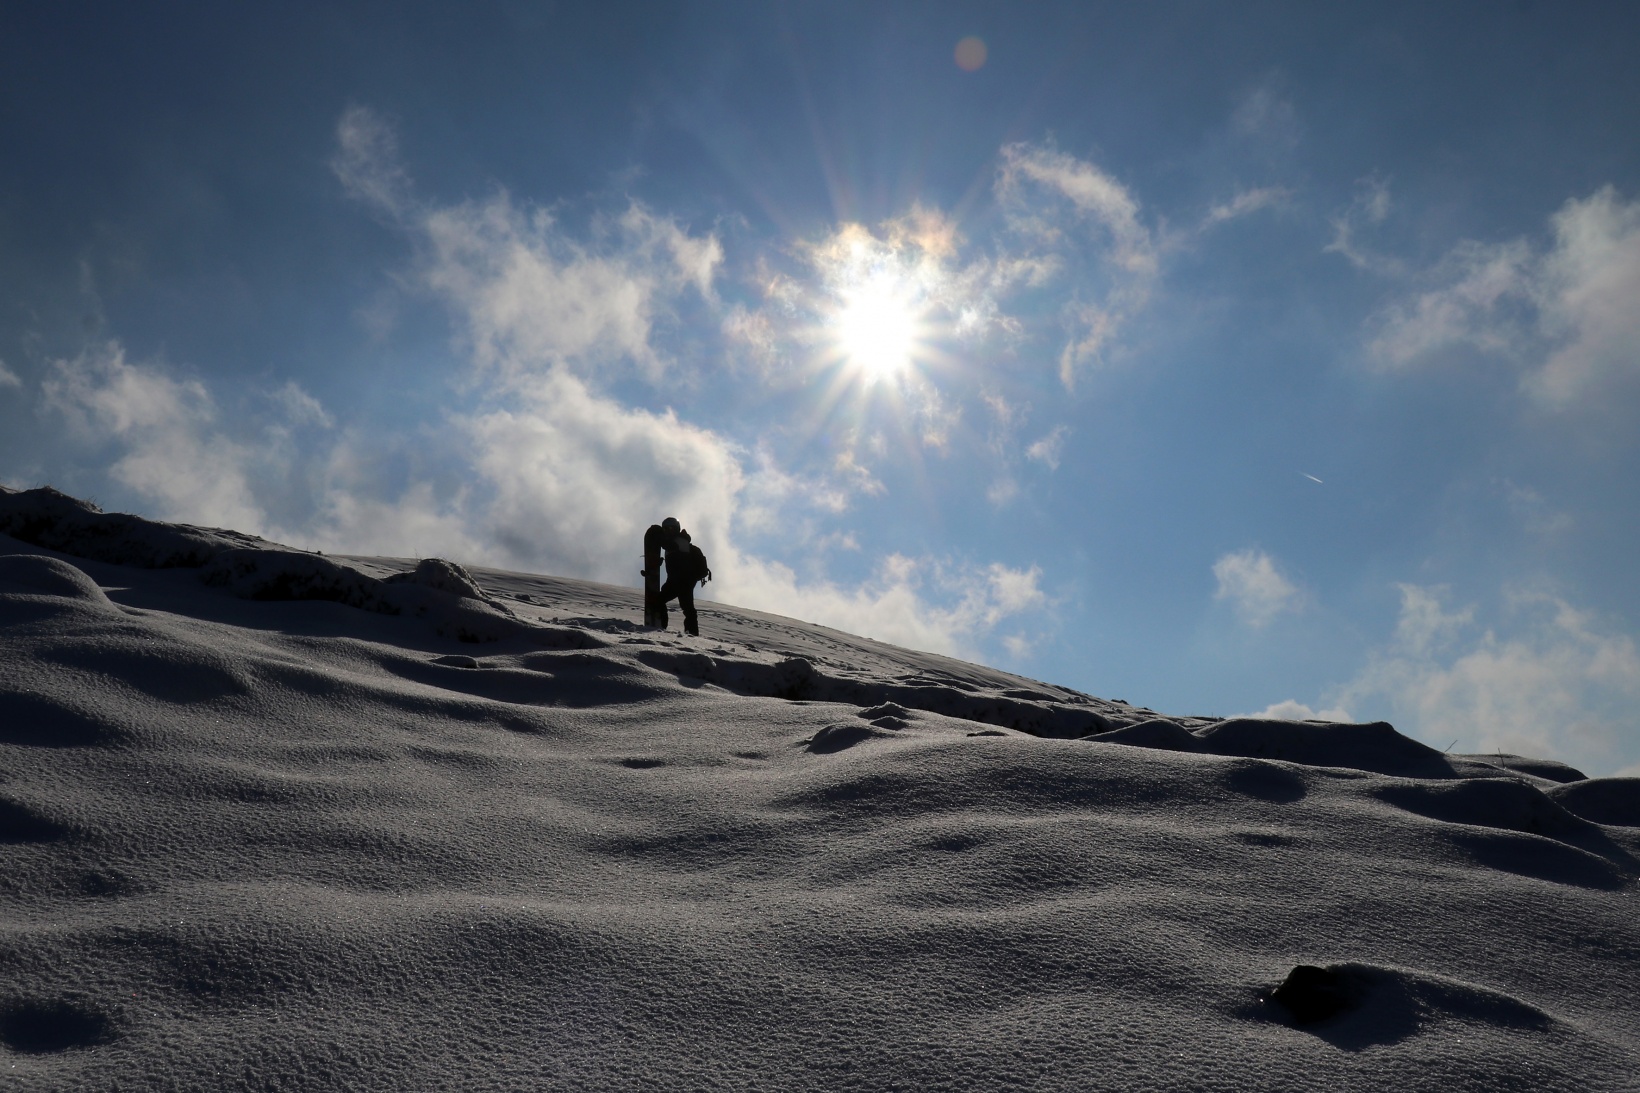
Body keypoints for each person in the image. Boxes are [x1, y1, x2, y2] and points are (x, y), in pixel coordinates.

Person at [656, 516, 710, 636]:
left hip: (681, 580)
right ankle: (691, 633)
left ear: (676, 529)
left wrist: (656, 537)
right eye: (665, 529)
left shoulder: (680, 541)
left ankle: (661, 626)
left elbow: (668, 545)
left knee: (661, 601)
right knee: (687, 608)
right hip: (682, 581)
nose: (668, 531)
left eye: (670, 528)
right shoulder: (679, 541)